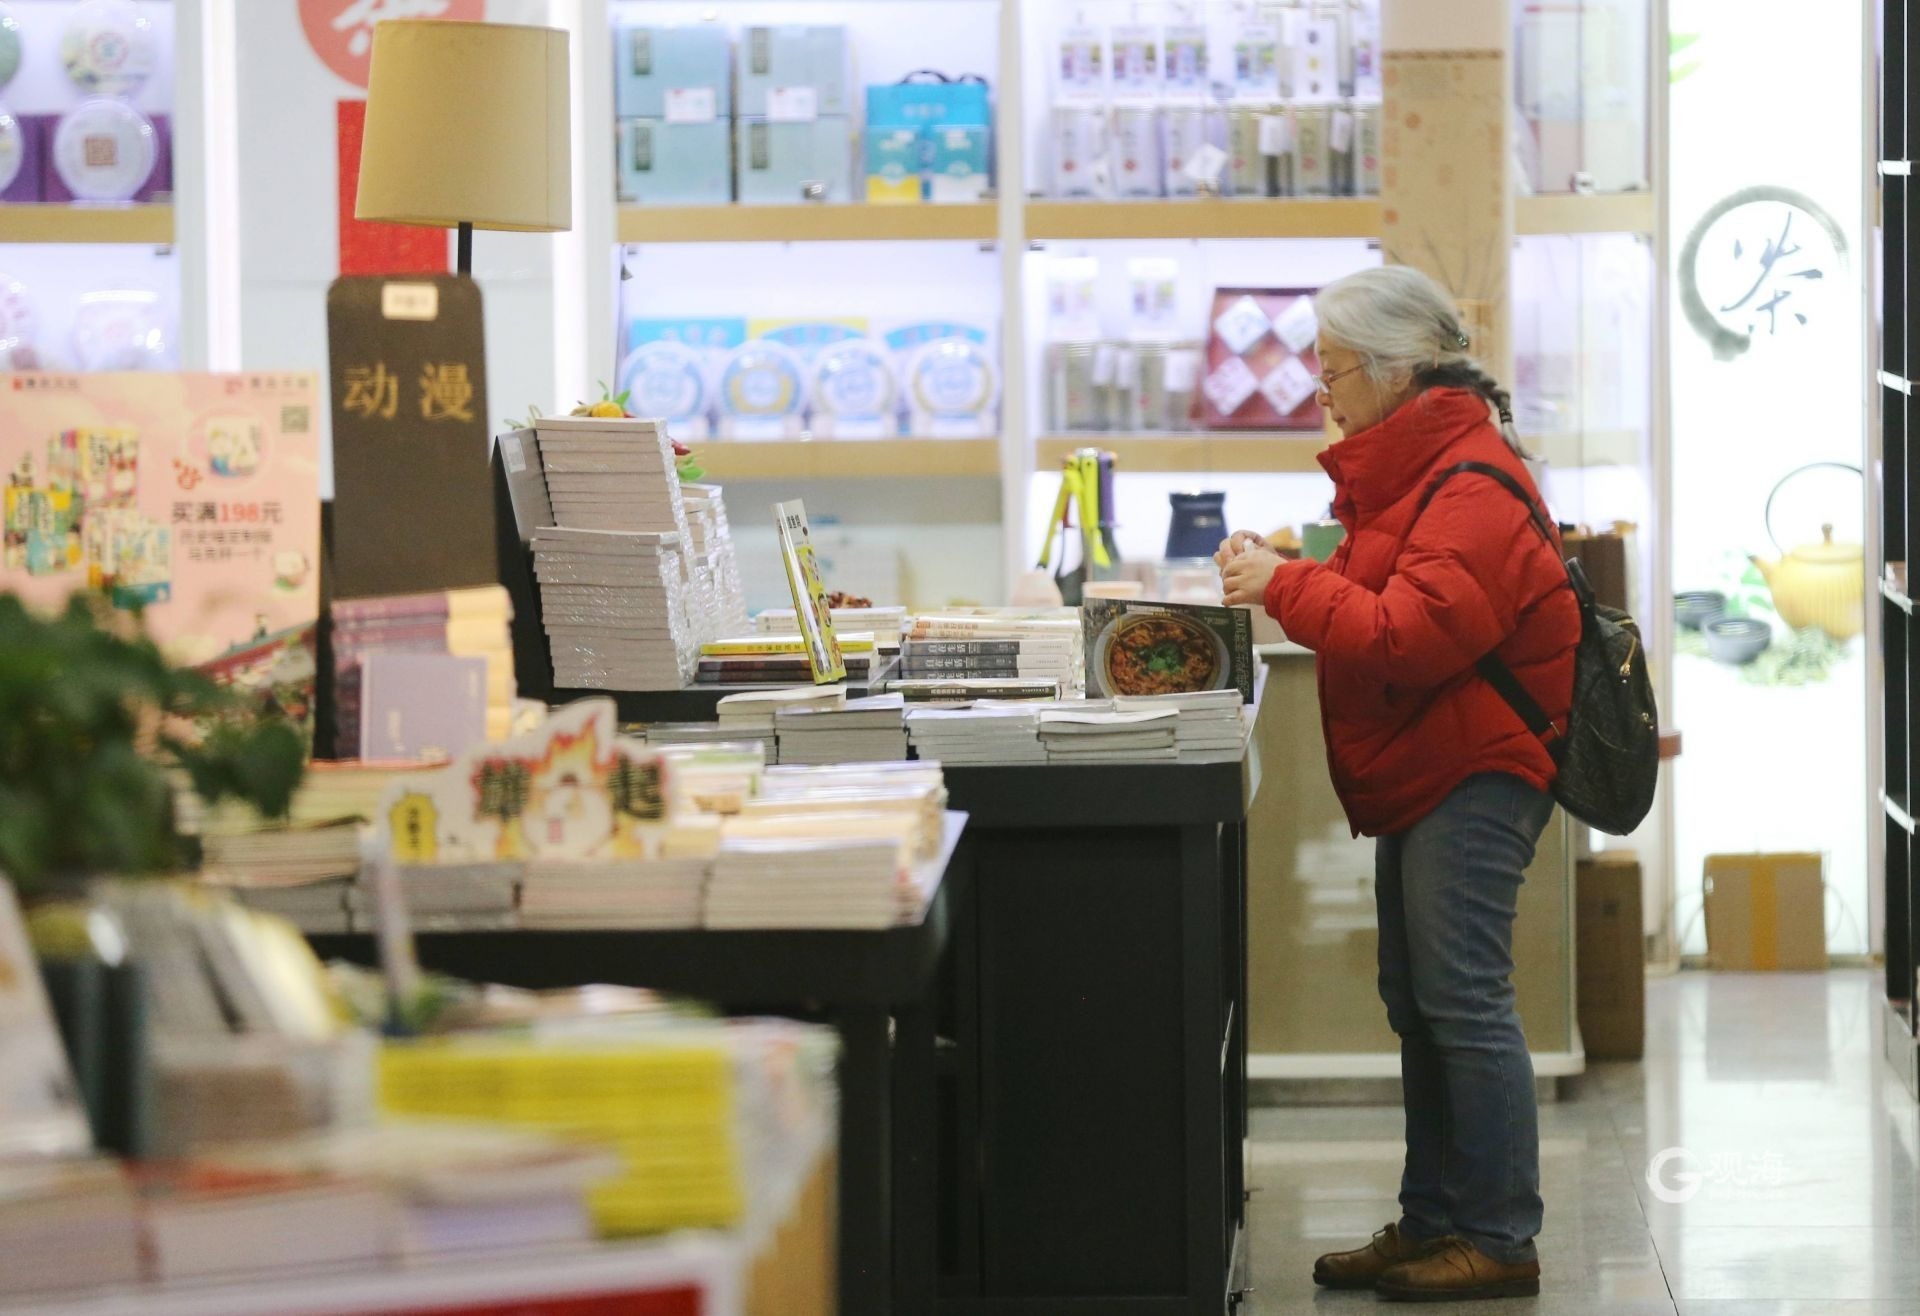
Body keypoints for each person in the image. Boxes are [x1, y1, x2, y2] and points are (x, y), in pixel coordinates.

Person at [1217, 266, 1579, 1303]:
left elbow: (1405, 636)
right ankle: (1435, 1220)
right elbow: (1391, 593)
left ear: (1393, 369)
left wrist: (1287, 584)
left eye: (1333, 371)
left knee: (1462, 998)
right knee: (1420, 1000)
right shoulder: (1418, 469)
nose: (1322, 393)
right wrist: (1299, 567)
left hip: (1478, 764)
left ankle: (1500, 1233)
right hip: (1434, 760)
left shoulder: (1469, 484)